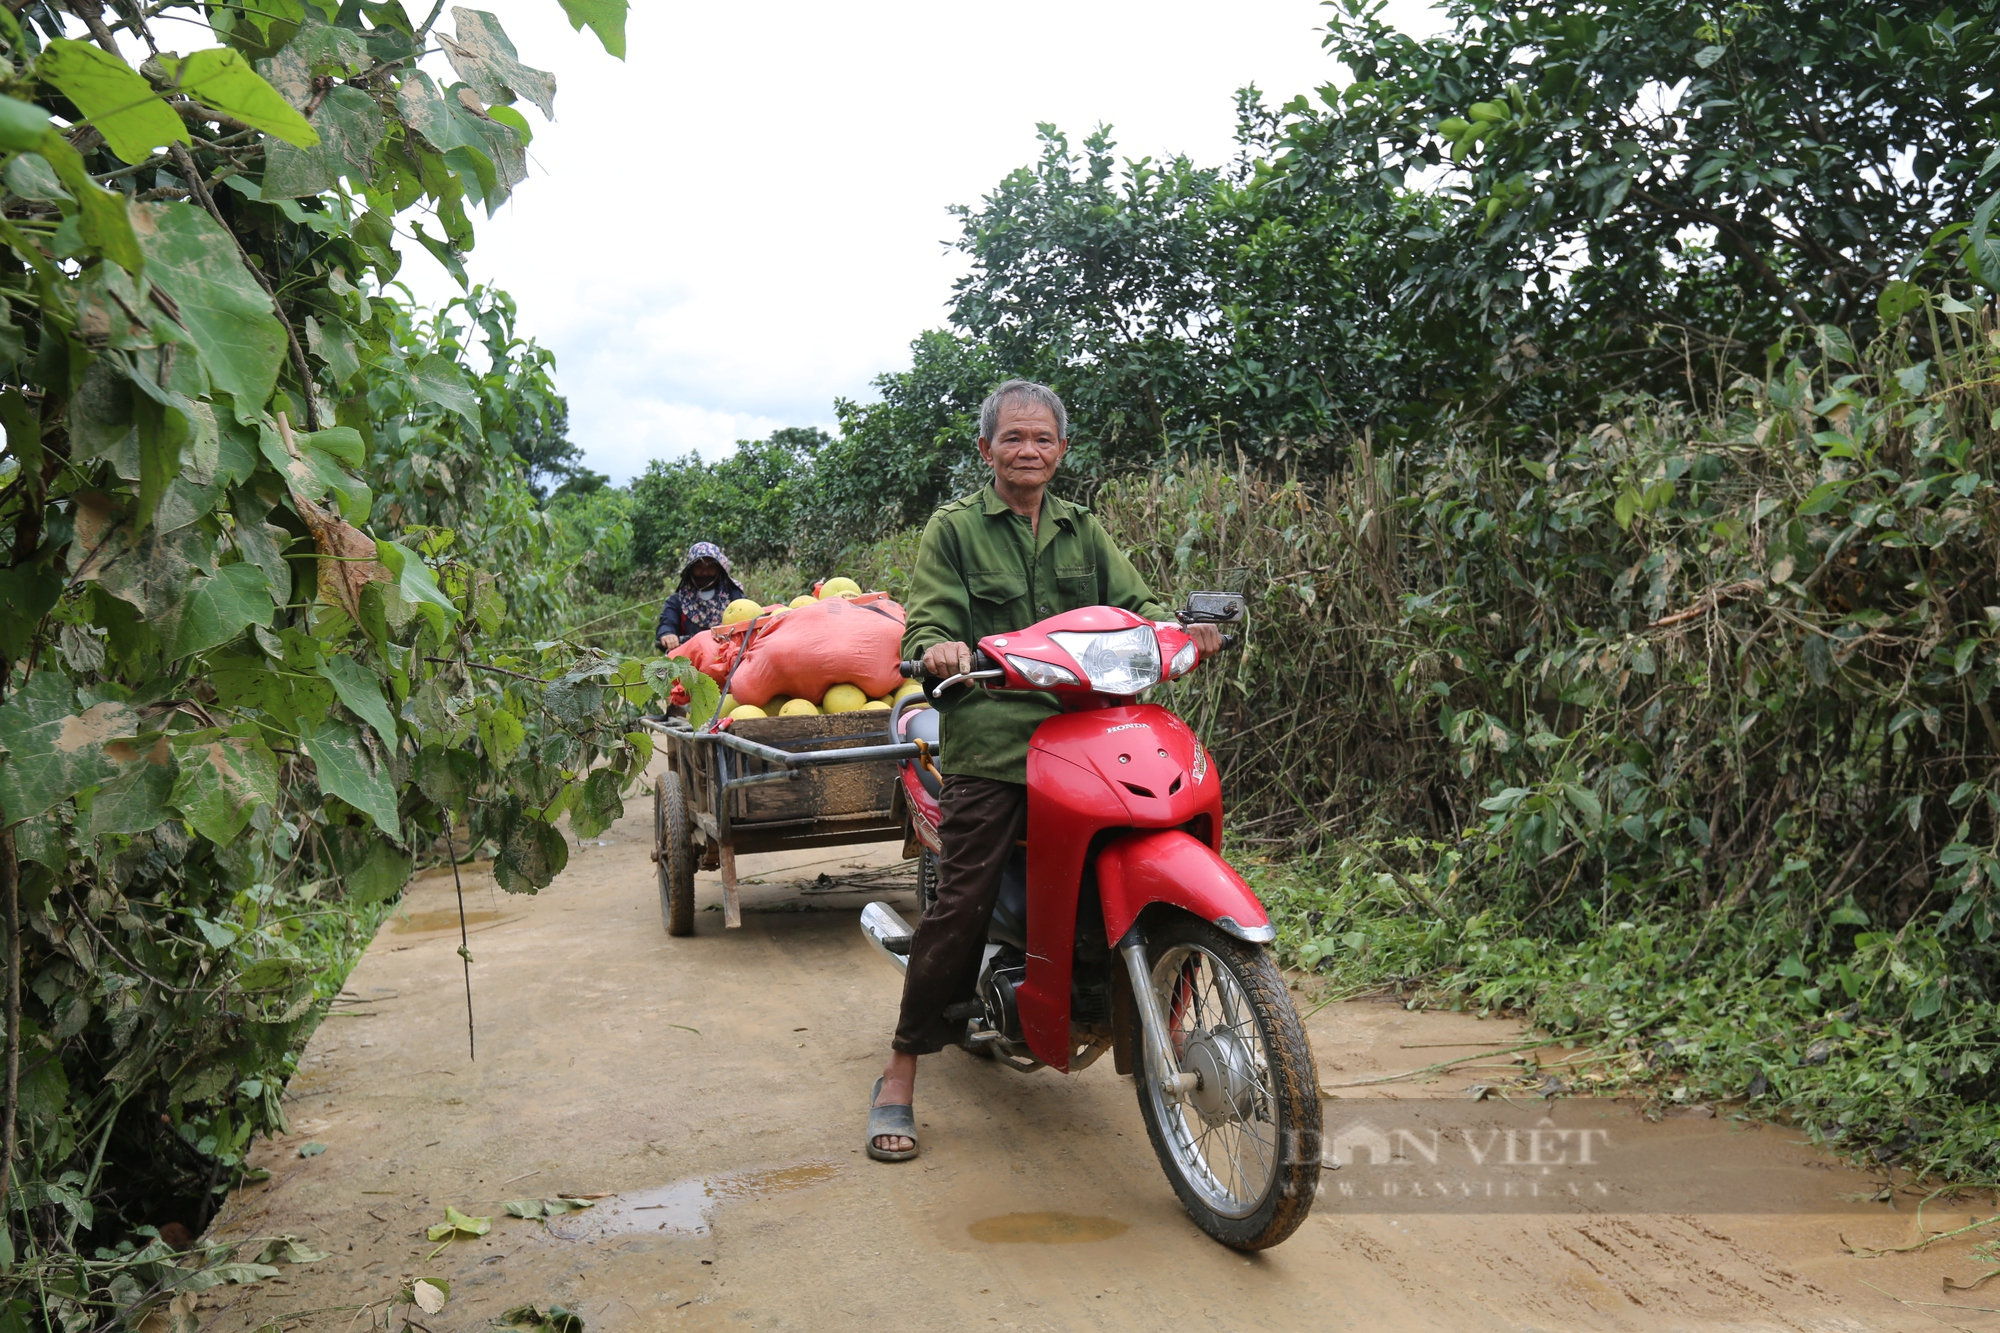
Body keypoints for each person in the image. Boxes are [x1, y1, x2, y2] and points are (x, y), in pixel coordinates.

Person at [864, 380, 1224, 1162]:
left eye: (1043, 439)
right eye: (1013, 438)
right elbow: (930, 615)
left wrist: (1179, 631)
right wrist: (941, 648)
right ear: (986, 449)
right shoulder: (954, 530)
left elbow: (1133, 607)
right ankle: (899, 1070)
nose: (1028, 450)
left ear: (1062, 450)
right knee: (962, 901)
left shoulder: (1082, 529)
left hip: (1086, 736)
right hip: (993, 742)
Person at [654, 542, 746, 652]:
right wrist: (667, 634)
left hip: (729, 657)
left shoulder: (734, 596)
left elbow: (748, 620)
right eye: (699, 567)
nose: (705, 572)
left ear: (719, 569)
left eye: (711, 567)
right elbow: (667, 622)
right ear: (690, 570)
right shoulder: (677, 601)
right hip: (690, 660)